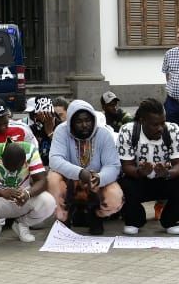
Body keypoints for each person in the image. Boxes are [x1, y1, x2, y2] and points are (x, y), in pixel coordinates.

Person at [116, 98, 179, 235]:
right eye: (155, 124)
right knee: (120, 186)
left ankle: (171, 220)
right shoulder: (127, 131)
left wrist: (167, 173)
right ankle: (134, 220)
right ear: (141, 121)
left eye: (163, 123)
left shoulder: (173, 130)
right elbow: (126, 166)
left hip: (165, 179)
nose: (160, 128)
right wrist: (140, 172)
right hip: (138, 179)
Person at [47, 100, 123, 234]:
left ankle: (96, 215)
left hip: (96, 183)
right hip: (69, 181)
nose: (84, 125)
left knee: (115, 197)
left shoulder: (103, 134)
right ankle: (63, 217)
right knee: (52, 178)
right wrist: (80, 173)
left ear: (93, 120)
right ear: (71, 122)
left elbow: (113, 165)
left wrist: (99, 178)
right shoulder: (61, 131)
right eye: (79, 122)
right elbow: (55, 160)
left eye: (88, 120)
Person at [0, 138, 55, 243]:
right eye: (10, 167)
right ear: (2, 158)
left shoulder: (30, 150)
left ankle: (22, 225)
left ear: (24, 160)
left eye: (17, 168)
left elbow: (42, 181)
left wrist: (28, 193)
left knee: (48, 201)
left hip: (22, 198)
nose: (13, 171)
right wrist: (2, 193)